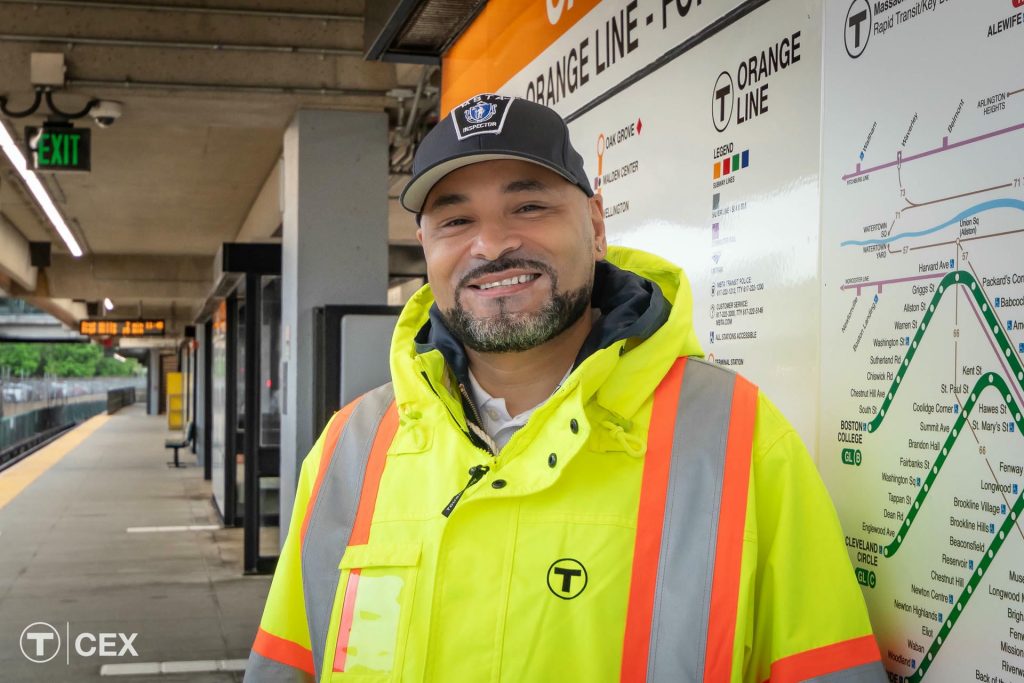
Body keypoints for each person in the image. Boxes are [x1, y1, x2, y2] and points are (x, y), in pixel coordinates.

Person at [244, 93, 885, 682]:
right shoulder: (349, 449)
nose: (491, 244)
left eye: (529, 207)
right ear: (426, 246)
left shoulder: (739, 438)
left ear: (596, 225)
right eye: (455, 220)